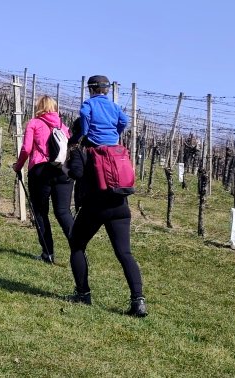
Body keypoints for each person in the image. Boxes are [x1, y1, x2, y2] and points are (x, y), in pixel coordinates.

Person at [64, 118, 147, 317]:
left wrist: (64, 167)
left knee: (77, 245)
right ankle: (138, 301)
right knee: (124, 253)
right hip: (120, 206)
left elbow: (75, 172)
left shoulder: (82, 150)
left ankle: (83, 294)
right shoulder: (115, 148)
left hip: (95, 207)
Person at [13, 95, 73, 263]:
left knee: (40, 212)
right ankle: (78, 248)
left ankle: (48, 252)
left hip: (40, 171)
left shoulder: (34, 123)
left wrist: (18, 166)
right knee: (63, 212)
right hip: (62, 171)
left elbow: (26, 148)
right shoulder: (64, 126)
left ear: (38, 107)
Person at [72, 75, 129, 146]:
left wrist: (84, 133)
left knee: (76, 150)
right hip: (113, 142)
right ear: (107, 90)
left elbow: (84, 114)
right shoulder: (114, 106)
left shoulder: (89, 103)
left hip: (94, 140)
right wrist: (116, 133)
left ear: (91, 90)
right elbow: (124, 120)